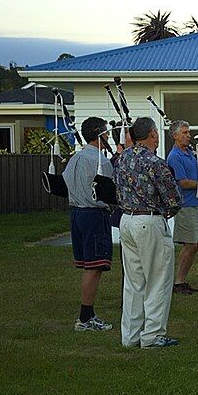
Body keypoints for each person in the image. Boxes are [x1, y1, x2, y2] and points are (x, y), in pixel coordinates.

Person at [114, 117, 182, 349]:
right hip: (149, 220)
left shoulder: (122, 158)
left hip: (126, 219)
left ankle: (130, 336)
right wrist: (169, 209)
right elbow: (173, 199)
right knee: (158, 280)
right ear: (153, 134)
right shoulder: (156, 163)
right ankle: (152, 336)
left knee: (133, 283)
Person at [62, 116, 114, 332]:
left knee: (89, 266)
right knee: (93, 268)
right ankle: (85, 318)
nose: (109, 135)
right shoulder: (100, 160)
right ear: (97, 133)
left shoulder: (76, 157)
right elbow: (111, 189)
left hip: (76, 214)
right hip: (93, 214)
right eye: (106, 132)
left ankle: (88, 314)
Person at [166, 120, 198, 295]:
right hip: (185, 204)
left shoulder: (190, 152)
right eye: (185, 133)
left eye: (188, 132)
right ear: (175, 135)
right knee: (190, 244)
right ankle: (177, 282)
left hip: (197, 203)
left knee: (196, 244)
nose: (189, 135)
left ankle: (182, 280)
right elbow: (183, 182)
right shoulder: (175, 156)